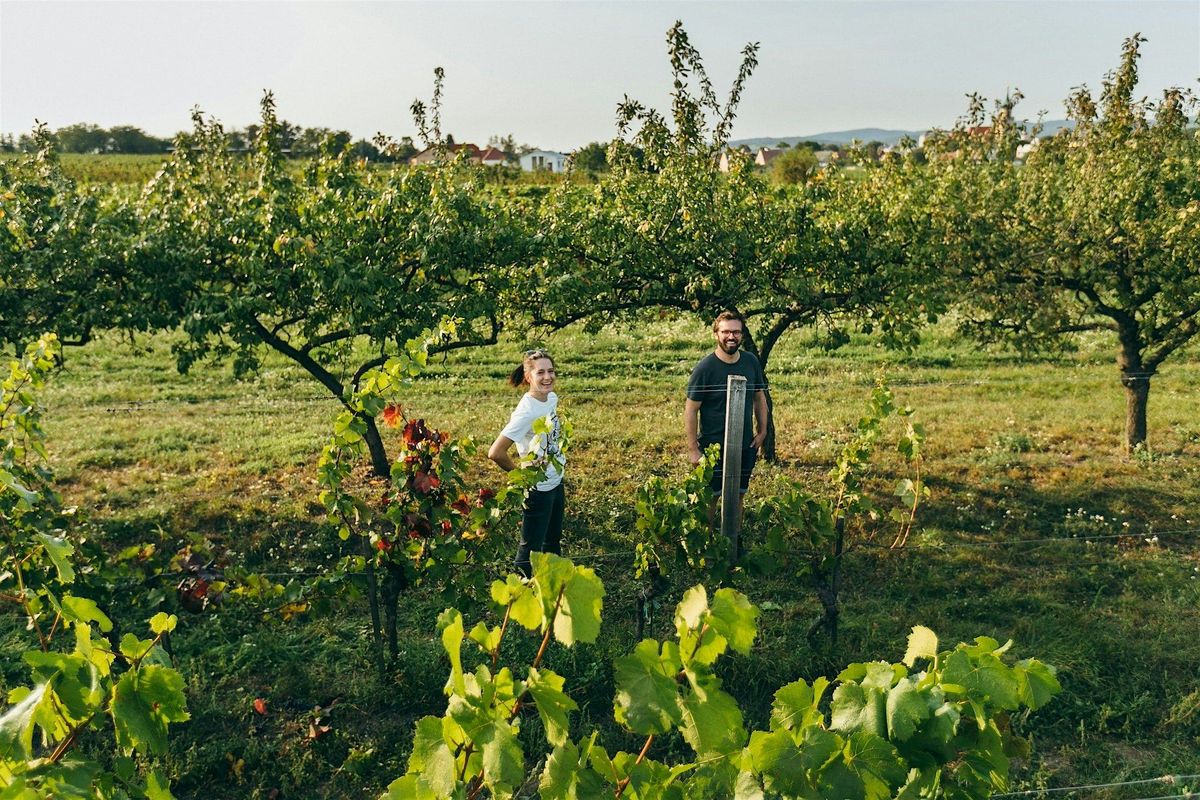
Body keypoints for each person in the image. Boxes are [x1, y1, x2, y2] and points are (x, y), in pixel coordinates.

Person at [685, 311, 769, 525]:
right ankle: (707, 541)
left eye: (736, 332)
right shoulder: (705, 369)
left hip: (744, 444)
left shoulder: (750, 362)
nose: (731, 336)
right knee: (710, 498)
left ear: (742, 335)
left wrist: (763, 431)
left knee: (738, 495)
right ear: (716, 334)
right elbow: (691, 410)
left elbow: (759, 396)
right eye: (726, 332)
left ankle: (734, 539)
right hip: (713, 447)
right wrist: (693, 449)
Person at [488, 349, 566, 577]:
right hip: (538, 488)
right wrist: (522, 477)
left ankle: (550, 588)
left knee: (552, 542)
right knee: (530, 550)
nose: (547, 377)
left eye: (551, 371)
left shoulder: (551, 398)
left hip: (556, 481)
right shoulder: (526, 411)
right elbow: (496, 452)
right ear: (528, 377)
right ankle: (521, 592)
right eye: (540, 372)